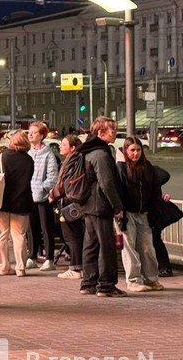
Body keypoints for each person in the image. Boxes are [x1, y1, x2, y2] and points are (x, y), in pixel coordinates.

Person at [77, 116, 126, 297]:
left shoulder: (88, 150)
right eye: (112, 130)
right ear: (100, 132)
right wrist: (117, 206)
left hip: (88, 204)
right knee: (106, 246)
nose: (115, 133)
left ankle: (88, 283)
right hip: (100, 204)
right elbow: (107, 183)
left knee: (90, 244)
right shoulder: (101, 154)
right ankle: (106, 285)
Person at [116, 136, 165, 292]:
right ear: (125, 151)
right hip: (127, 213)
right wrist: (120, 212)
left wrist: (155, 210)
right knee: (129, 247)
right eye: (132, 150)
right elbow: (118, 190)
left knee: (147, 247)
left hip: (144, 213)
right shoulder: (121, 168)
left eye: (138, 150)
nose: (135, 154)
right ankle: (133, 280)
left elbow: (156, 188)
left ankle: (151, 278)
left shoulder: (147, 167)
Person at [0, 130, 34, 277]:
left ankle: (3, 266)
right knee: (20, 235)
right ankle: (20, 267)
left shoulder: (2, 156)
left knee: (1, 235)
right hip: (21, 202)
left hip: (1, 202)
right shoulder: (28, 160)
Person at [48, 135, 85, 279]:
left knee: (72, 236)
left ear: (73, 148)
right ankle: (77, 266)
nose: (60, 146)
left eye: (64, 144)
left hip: (69, 203)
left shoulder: (73, 162)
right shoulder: (73, 160)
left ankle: (75, 268)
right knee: (73, 235)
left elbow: (66, 184)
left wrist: (53, 194)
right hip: (69, 201)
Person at [26, 121, 59, 271]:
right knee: (31, 227)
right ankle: (32, 255)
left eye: (34, 132)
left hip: (43, 197)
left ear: (41, 135)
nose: (30, 135)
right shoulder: (28, 152)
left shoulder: (49, 154)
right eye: (29, 132)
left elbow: (52, 176)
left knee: (46, 227)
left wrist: (43, 189)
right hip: (29, 195)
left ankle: (49, 258)